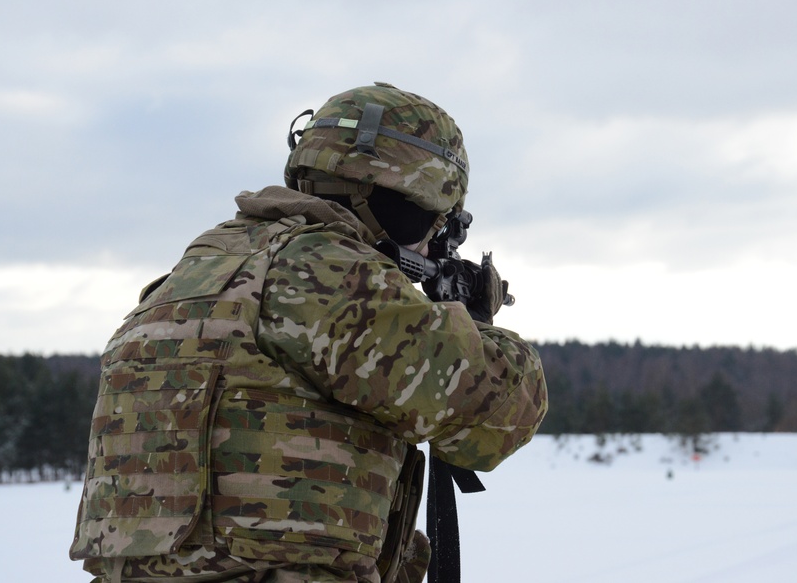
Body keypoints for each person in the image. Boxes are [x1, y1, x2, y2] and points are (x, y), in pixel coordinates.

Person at [69, 82, 547, 583]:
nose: (431, 242)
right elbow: (498, 416)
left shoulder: (195, 272)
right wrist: (474, 323)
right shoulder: (330, 274)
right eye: (434, 223)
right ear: (405, 197)